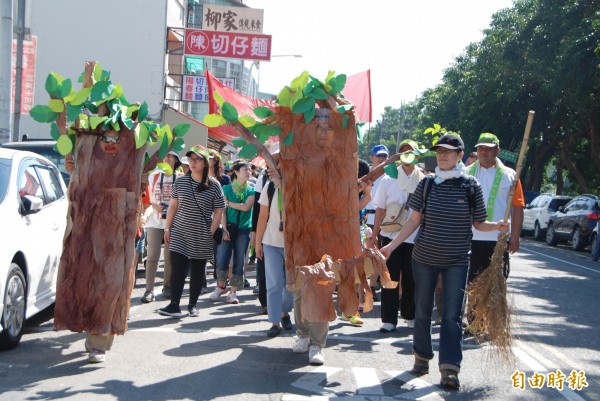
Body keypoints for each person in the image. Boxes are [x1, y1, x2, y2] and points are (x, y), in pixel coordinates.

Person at [380, 133, 509, 390]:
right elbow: (413, 221)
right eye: (439, 151)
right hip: (424, 259)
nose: (442, 155)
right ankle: (421, 357)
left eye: (448, 151)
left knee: (451, 315)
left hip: (457, 262)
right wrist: (391, 247)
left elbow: (478, 224)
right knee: (423, 310)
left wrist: (498, 225)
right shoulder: (427, 184)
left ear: (460, 155)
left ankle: (450, 368)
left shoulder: (471, 186)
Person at [55, 129, 145, 363]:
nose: (111, 144)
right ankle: (94, 334)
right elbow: (73, 197)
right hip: (86, 234)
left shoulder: (129, 164)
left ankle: (100, 337)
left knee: (112, 283)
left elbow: (138, 195)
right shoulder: (87, 162)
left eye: (117, 139)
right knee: (87, 282)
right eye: (106, 138)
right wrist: (76, 173)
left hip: (117, 236)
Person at [466, 133, 524, 332]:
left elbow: (517, 207)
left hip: (497, 239)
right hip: (471, 238)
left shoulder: (510, 176)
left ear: (497, 150)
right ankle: (474, 322)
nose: (484, 152)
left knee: (495, 282)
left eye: (488, 148)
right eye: (481, 148)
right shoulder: (467, 173)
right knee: (473, 281)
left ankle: (491, 322)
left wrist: (514, 236)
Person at [158, 145, 225, 317]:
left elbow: (219, 210)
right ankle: (174, 305)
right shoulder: (180, 181)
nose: (193, 163)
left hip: (201, 233)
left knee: (197, 270)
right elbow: (173, 205)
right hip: (179, 231)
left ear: (204, 163)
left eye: (197, 159)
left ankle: (192, 305)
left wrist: (210, 231)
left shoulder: (214, 185)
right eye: (191, 159)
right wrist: (168, 228)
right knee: (177, 269)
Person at [370, 139, 425, 332]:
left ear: (418, 155)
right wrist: (374, 235)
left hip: (415, 237)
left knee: (411, 279)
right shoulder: (388, 179)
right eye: (403, 151)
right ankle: (389, 319)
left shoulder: (424, 180)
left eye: (411, 151)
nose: (407, 154)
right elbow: (380, 209)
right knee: (389, 278)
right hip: (390, 236)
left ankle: (410, 315)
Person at [211, 160, 255, 304]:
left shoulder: (251, 189)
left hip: (244, 228)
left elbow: (246, 207)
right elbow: (221, 210)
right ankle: (221, 286)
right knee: (222, 257)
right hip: (228, 226)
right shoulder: (226, 188)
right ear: (236, 172)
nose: (248, 172)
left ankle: (233, 291)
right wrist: (223, 228)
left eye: (249, 169)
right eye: (245, 169)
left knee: (239, 259)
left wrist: (229, 203)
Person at [141, 150, 182, 303]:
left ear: (175, 161)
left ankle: (167, 286)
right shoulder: (154, 175)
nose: (166, 159)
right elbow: (148, 195)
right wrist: (152, 205)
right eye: (166, 156)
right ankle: (149, 290)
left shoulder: (180, 178)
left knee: (169, 256)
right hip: (155, 220)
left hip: (173, 221)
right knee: (152, 256)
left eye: (170, 157)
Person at [255, 178, 294, 337]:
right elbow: (262, 216)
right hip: (271, 243)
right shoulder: (269, 186)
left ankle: (285, 313)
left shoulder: (298, 184)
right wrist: (258, 243)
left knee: (290, 284)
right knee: (274, 284)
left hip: (294, 245)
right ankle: (275, 321)